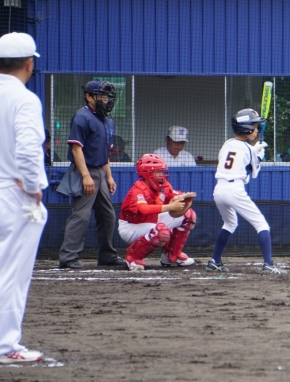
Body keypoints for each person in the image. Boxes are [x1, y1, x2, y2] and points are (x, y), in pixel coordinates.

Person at [0, 32, 47, 363]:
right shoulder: (24, 99)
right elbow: (29, 150)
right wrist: (33, 186)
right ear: (29, 63)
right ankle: (5, 345)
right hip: (14, 195)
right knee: (13, 273)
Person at [58, 80, 126, 269]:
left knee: (108, 215)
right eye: (100, 95)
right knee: (81, 215)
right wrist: (86, 176)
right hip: (84, 170)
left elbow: (105, 153)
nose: (105, 99)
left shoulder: (108, 121)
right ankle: (68, 257)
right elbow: (76, 149)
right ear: (88, 96)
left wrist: (109, 176)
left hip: (100, 172)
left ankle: (107, 255)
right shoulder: (82, 117)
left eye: (106, 96)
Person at [207, 108, 285, 275]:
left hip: (218, 190)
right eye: (254, 126)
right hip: (234, 190)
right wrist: (259, 156)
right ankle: (268, 264)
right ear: (246, 128)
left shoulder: (227, 143)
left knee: (230, 223)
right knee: (261, 224)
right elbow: (254, 173)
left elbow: (236, 157)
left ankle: (214, 261)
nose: (257, 130)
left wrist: (254, 151)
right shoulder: (248, 149)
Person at [118, 154, 197, 271]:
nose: (161, 175)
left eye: (162, 171)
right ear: (146, 172)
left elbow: (172, 197)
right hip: (131, 226)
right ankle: (133, 257)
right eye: (157, 172)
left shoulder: (163, 185)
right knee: (162, 232)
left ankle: (172, 255)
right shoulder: (138, 189)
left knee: (189, 215)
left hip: (152, 220)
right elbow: (144, 209)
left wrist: (182, 199)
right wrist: (170, 206)